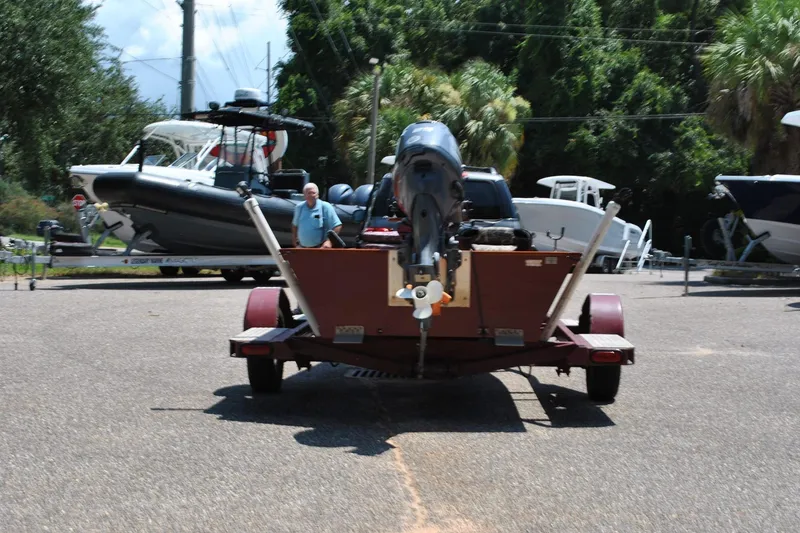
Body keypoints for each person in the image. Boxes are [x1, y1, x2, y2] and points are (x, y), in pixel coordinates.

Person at [292, 182, 342, 248]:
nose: (311, 195)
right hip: (302, 248)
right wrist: (294, 239)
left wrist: (329, 241)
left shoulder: (325, 207)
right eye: (309, 193)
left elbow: (337, 225)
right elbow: (295, 225)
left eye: (313, 193)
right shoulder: (299, 207)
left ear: (318, 195)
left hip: (320, 248)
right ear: (304, 195)